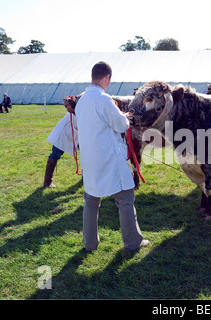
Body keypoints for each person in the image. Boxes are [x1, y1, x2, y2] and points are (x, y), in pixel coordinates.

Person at [75, 61, 149, 252]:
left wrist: (119, 116)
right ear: (107, 77)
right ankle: (133, 243)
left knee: (91, 202)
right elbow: (121, 126)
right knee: (125, 200)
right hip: (109, 159)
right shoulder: (104, 99)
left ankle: (90, 243)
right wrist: (125, 117)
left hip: (90, 160)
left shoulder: (82, 100)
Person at [43, 96, 79, 188]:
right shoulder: (81, 103)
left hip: (78, 135)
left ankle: (86, 178)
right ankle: (47, 181)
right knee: (55, 154)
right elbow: (68, 100)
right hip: (64, 132)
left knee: (87, 155)